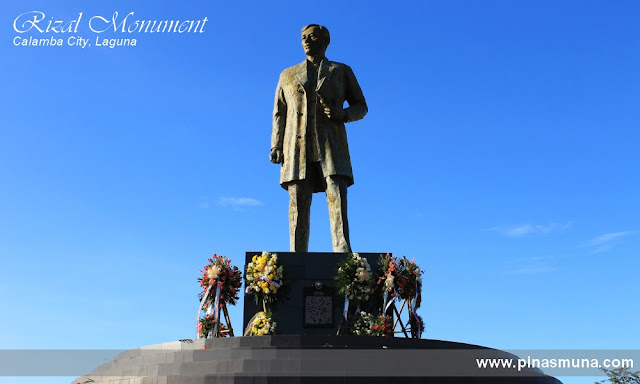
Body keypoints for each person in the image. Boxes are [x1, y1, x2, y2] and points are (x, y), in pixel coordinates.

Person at [270, 24, 368, 252]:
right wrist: (276, 144)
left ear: (325, 41)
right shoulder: (287, 75)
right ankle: (296, 256)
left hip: (331, 147)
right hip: (296, 150)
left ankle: (343, 258)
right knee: (297, 206)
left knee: (337, 202)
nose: (306, 40)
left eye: (312, 36)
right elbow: (279, 112)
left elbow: (361, 106)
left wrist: (342, 114)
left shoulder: (341, 71)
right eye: (303, 37)